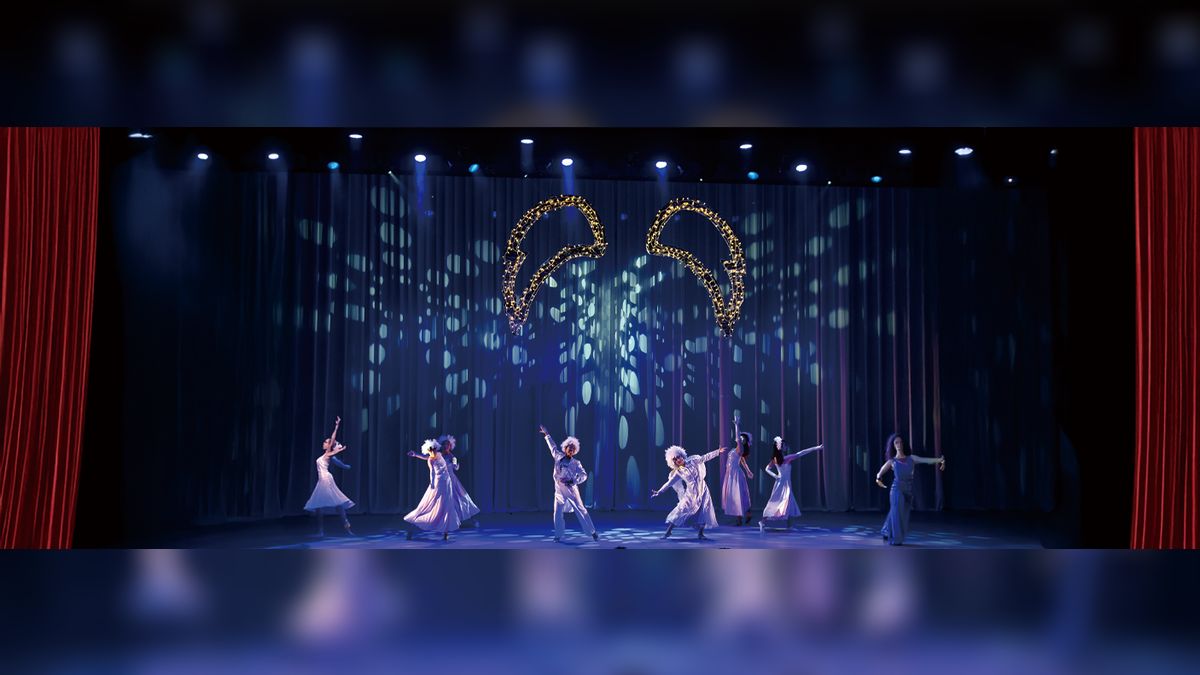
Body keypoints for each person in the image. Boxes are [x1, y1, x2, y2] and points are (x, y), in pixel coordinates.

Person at [875, 433, 945, 545]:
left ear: (903, 444)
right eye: (896, 443)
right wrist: (878, 479)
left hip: (908, 491)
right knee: (897, 513)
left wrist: (939, 460)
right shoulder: (892, 461)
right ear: (893, 445)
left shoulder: (911, 458)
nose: (899, 445)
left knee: (900, 514)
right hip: (896, 490)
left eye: (900, 442)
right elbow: (880, 472)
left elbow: (925, 460)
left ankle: (886, 530)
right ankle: (896, 540)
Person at [650, 444, 727, 540]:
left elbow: (705, 457)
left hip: (703, 490)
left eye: (679, 457)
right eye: (675, 459)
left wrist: (717, 452)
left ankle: (701, 534)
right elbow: (669, 483)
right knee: (681, 510)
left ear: (682, 456)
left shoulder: (693, 460)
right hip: (691, 494)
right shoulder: (679, 472)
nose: (678, 460)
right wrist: (659, 491)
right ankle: (668, 532)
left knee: (704, 510)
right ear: (674, 463)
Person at [538, 424, 599, 543]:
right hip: (559, 491)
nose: (571, 450)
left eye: (573, 449)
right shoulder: (558, 457)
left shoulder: (576, 463)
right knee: (557, 513)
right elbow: (552, 447)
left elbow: (584, 475)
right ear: (565, 448)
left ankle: (592, 532)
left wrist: (574, 481)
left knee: (581, 510)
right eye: (569, 447)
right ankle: (558, 534)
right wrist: (546, 434)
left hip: (571, 490)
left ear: (575, 451)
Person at [303, 416, 355, 537]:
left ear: (329, 445)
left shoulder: (328, 454)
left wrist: (336, 426)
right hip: (322, 480)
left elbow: (333, 439)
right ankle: (322, 531)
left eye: (326, 442)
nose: (324, 443)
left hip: (326, 480)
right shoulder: (326, 455)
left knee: (331, 506)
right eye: (325, 442)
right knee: (327, 506)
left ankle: (346, 530)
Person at [759, 436, 823, 532]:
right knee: (781, 502)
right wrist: (816, 448)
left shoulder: (776, 459)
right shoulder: (786, 458)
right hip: (784, 484)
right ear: (780, 447)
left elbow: (767, 469)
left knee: (783, 502)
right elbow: (801, 453)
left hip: (781, 483)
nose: (786, 446)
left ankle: (782, 524)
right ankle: (766, 522)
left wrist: (775, 476)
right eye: (784, 445)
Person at [403, 438, 462, 541]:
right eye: (431, 450)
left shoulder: (442, 455)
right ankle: (412, 528)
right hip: (438, 484)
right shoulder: (431, 459)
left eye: (434, 450)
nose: (433, 452)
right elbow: (432, 472)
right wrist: (415, 454)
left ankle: (445, 533)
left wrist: (455, 464)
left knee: (446, 507)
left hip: (447, 484)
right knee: (428, 506)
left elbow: (455, 466)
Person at [722, 413, 754, 525]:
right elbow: (742, 461)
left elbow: (737, 438)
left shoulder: (740, 448)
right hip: (731, 474)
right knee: (737, 495)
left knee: (738, 495)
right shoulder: (736, 450)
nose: (740, 439)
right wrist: (748, 471)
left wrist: (736, 425)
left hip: (735, 474)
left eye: (742, 438)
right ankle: (745, 515)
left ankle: (741, 518)